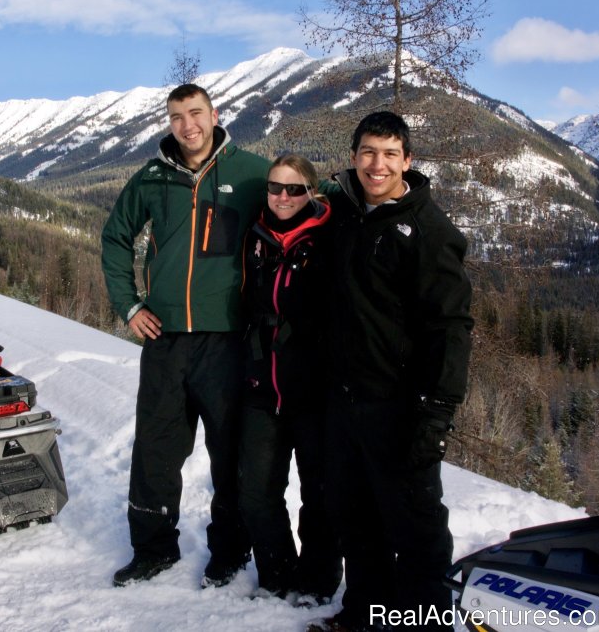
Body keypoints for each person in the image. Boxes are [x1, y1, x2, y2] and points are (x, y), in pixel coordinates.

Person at [101, 83, 271, 588]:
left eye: (195, 113)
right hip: (166, 340)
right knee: (155, 451)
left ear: (214, 115)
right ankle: (153, 550)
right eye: (176, 116)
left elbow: (302, 197)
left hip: (226, 342)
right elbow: (115, 238)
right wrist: (129, 305)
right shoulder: (152, 177)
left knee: (230, 454)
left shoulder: (251, 172)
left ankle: (230, 552)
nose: (186, 125)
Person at [311, 112, 473, 632]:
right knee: (356, 520)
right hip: (344, 401)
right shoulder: (342, 213)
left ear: (407, 160)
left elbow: (450, 328)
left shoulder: (427, 229)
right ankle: (363, 614)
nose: (376, 164)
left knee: (416, 529)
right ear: (354, 156)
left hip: (400, 407)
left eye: (388, 154)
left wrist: (435, 413)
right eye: (367, 152)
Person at [239, 155, 343, 604]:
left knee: (318, 492)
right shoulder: (256, 235)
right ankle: (276, 573)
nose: (283, 197)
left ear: (312, 193)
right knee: (258, 489)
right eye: (275, 187)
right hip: (263, 385)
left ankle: (317, 583)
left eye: (294, 189)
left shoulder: (331, 237)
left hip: (314, 388)